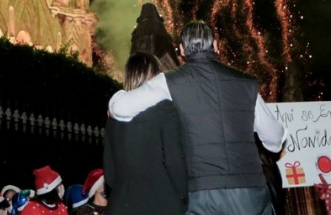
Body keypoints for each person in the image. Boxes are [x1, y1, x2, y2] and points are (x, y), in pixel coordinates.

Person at [108, 22, 287, 215]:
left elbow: (120, 108)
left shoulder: (170, 81)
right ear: (216, 45)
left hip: (202, 193)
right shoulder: (246, 83)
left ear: (183, 50)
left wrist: (116, 96)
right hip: (250, 192)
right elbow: (275, 141)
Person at [103, 53, 187, 215]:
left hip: (121, 205)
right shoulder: (166, 110)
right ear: (155, 76)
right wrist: (184, 196)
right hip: (161, 204)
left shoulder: (112, 117)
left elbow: (110, 175)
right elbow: (174, 160)